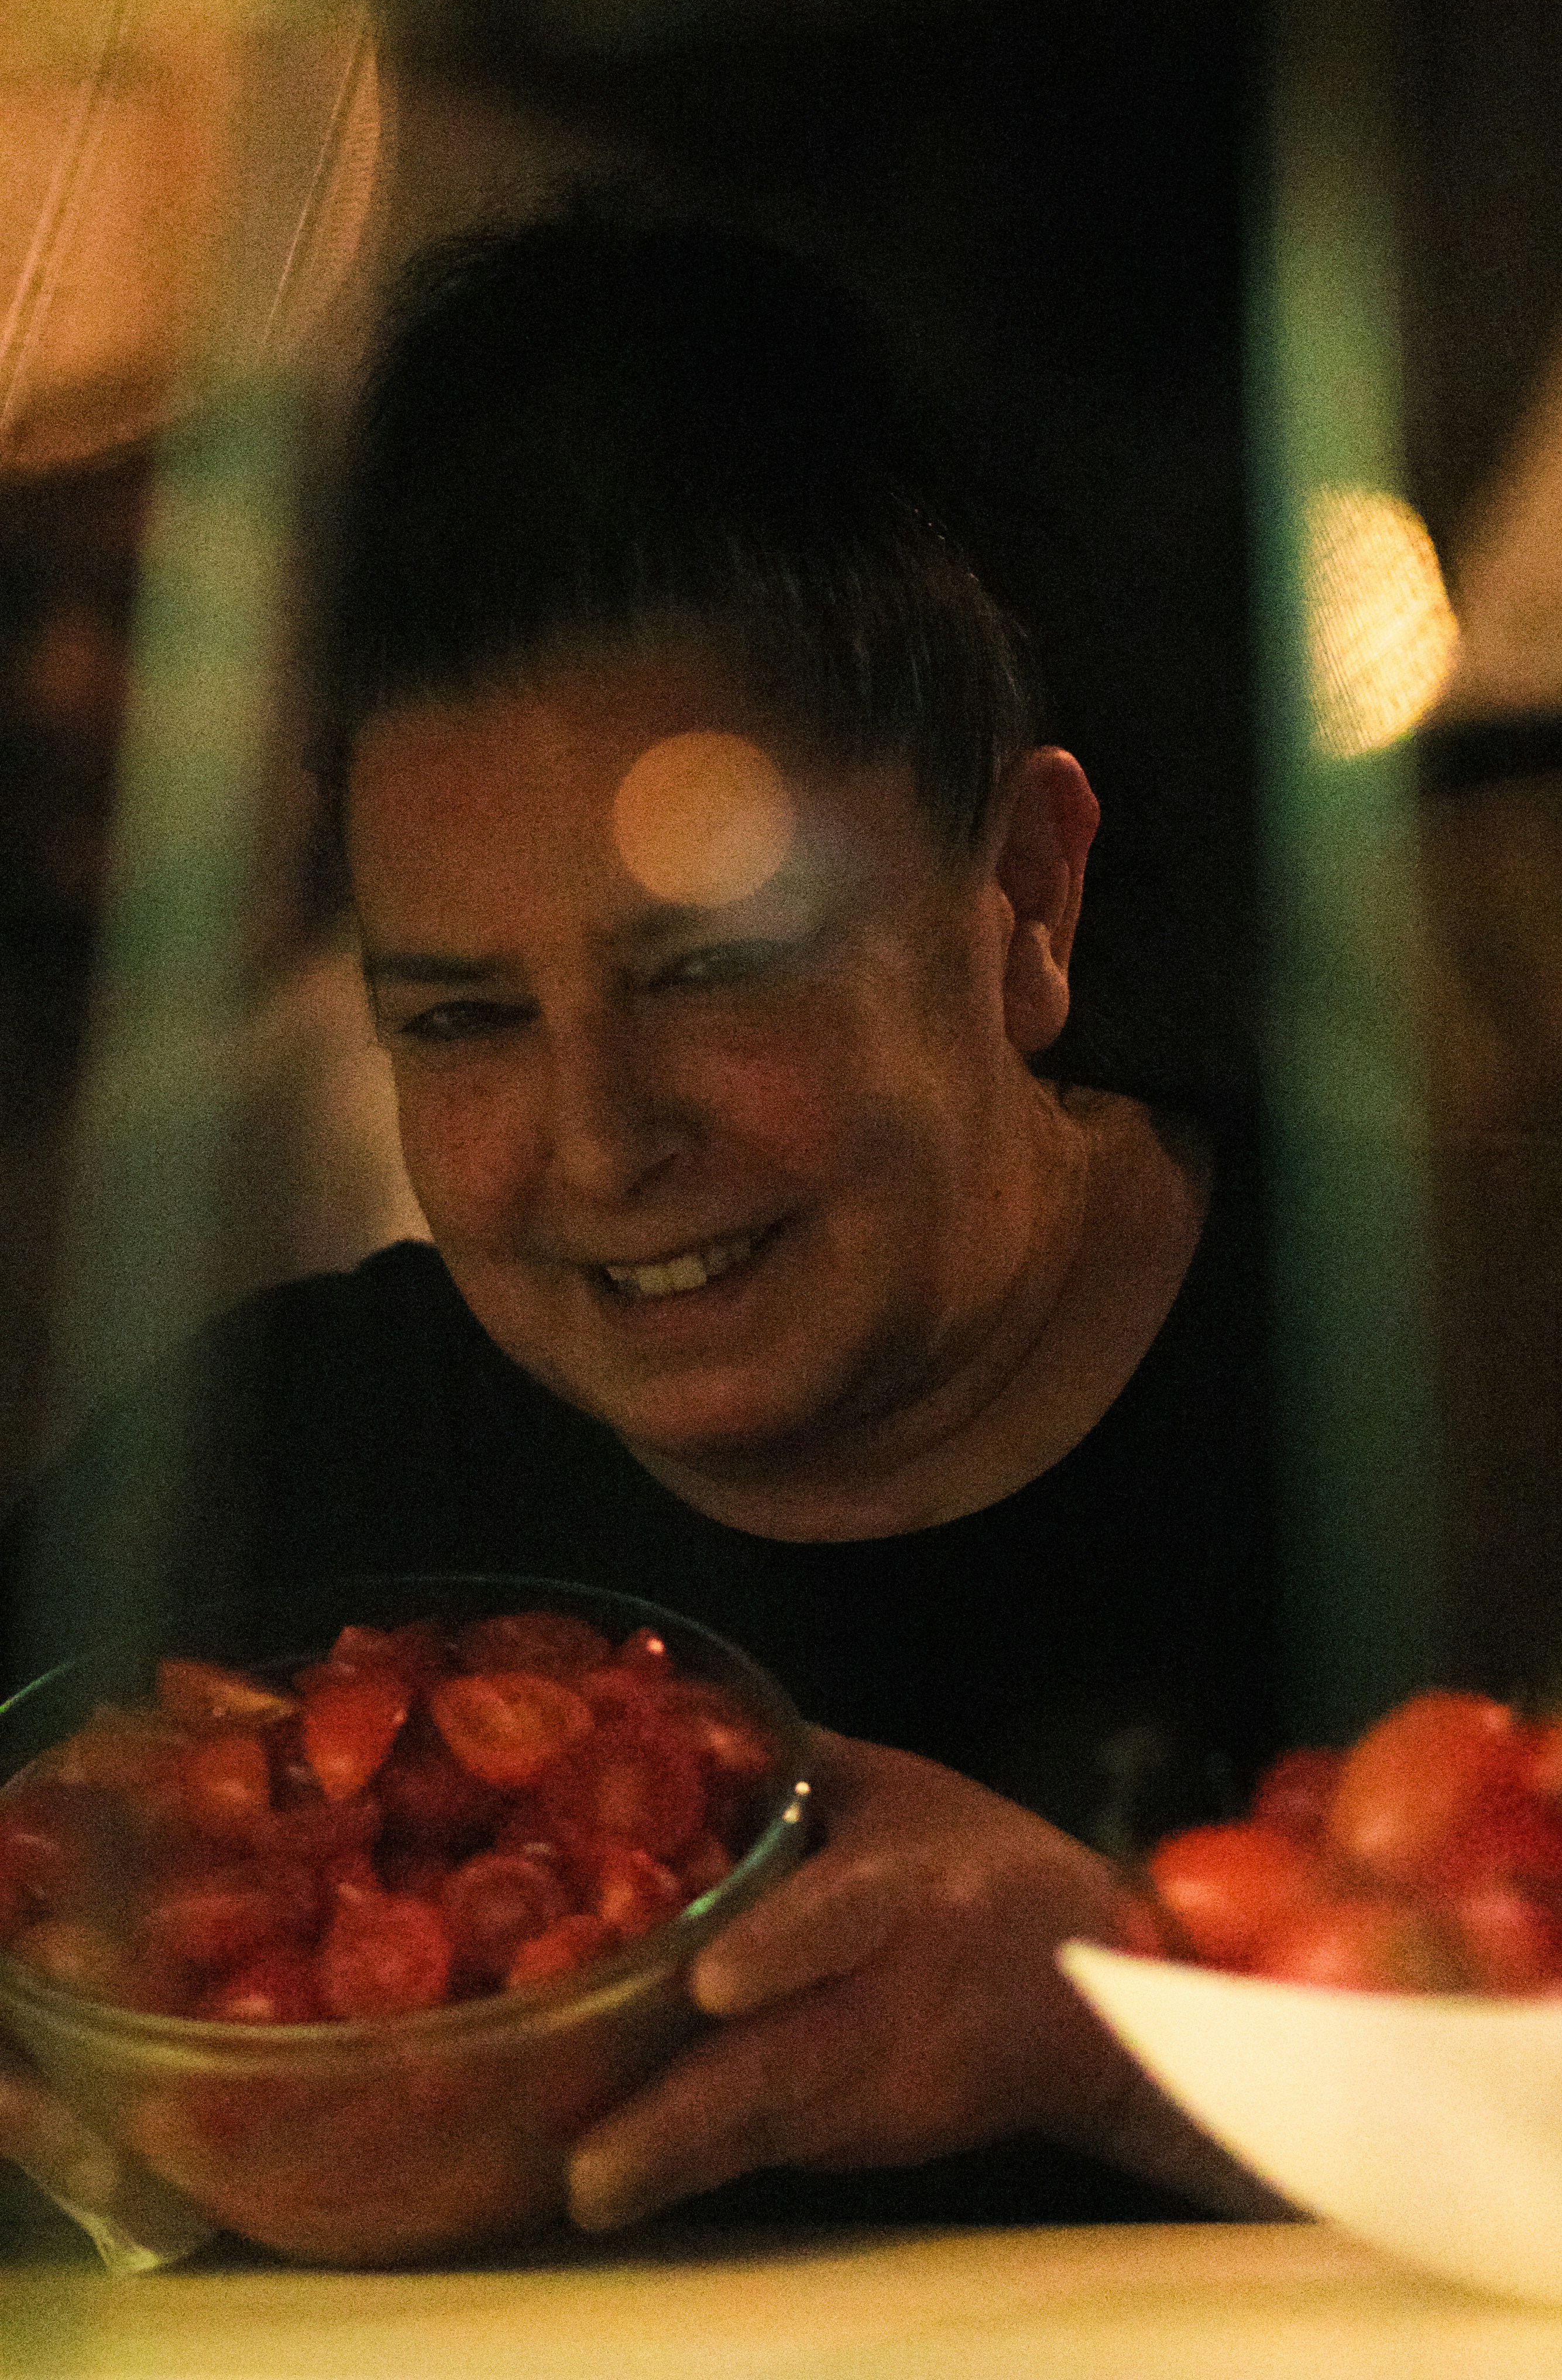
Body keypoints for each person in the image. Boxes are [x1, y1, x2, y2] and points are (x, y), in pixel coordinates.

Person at [0, 208, 1285, 2241]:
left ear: (1024, 897)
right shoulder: (258, 1491)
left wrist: (1127, 2031)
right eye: (464, 1019)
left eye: (709, 975)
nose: (597, 1146)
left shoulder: (1501, 1366)